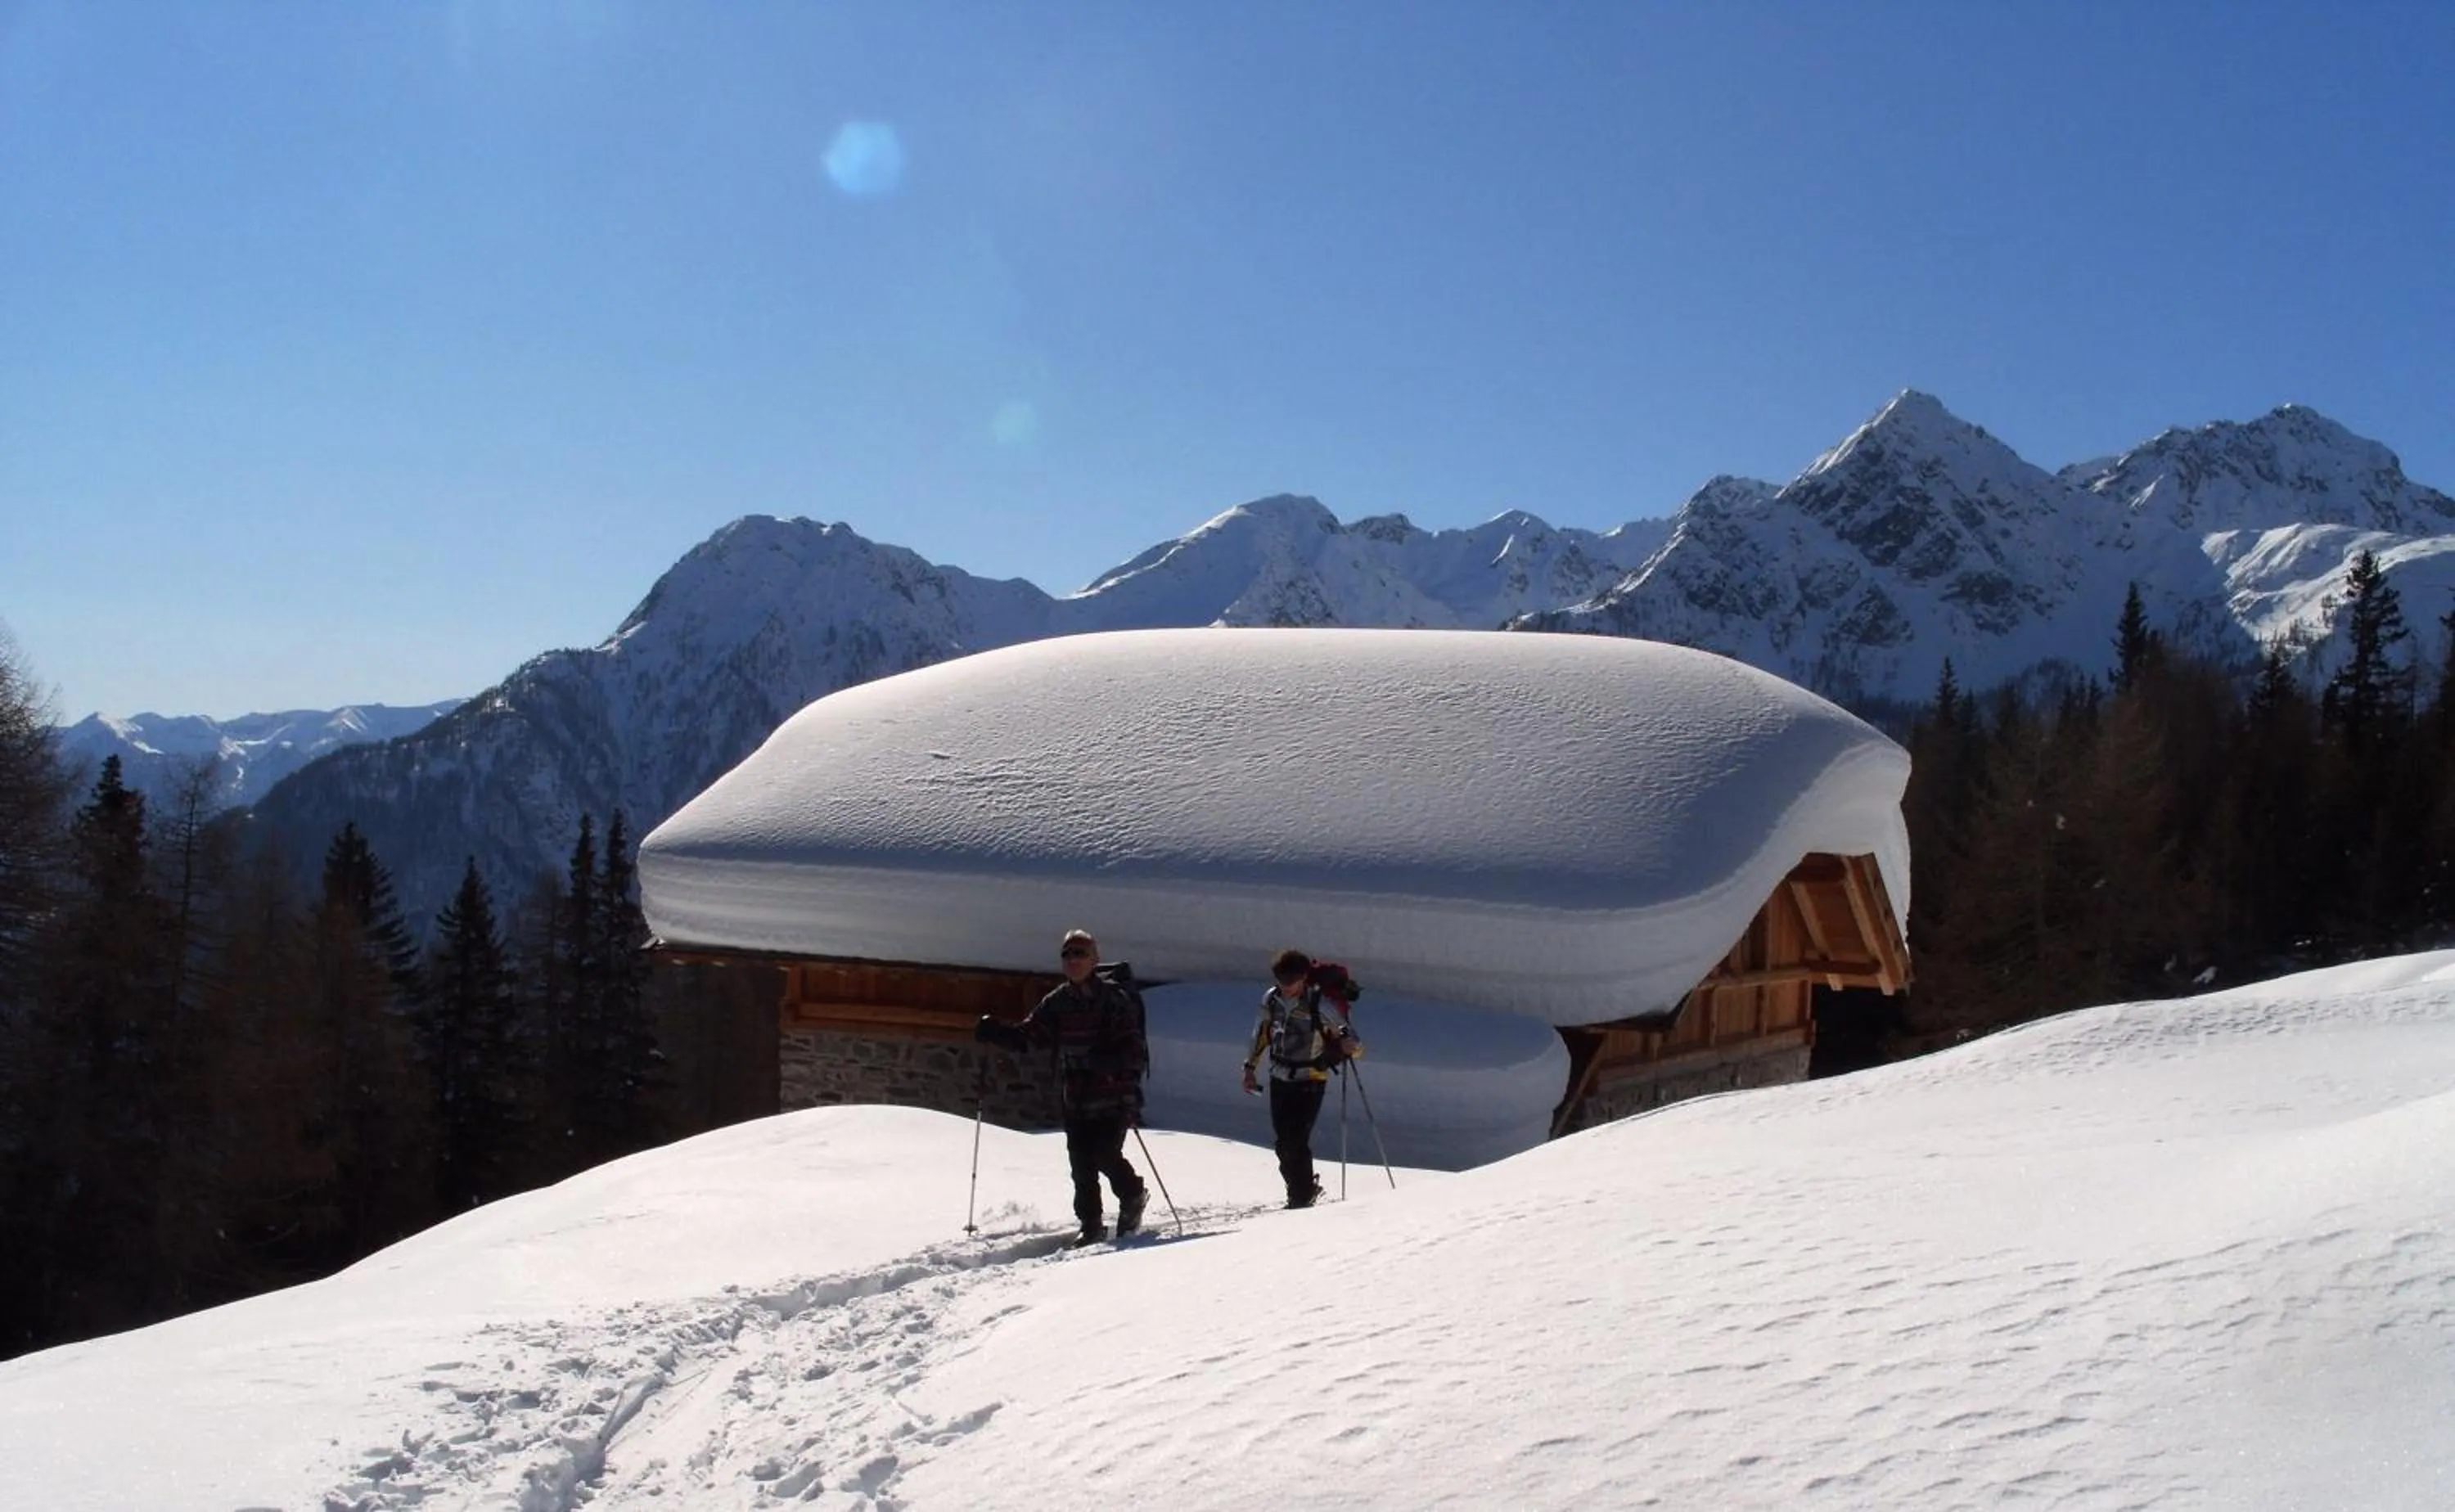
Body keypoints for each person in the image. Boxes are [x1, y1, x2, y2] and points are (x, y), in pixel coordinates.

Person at [975, 929, 1151, 1246]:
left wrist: (1103, 1064)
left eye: (1080, 953)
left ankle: (1133, 1194)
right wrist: (997, 1033)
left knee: (1105, 1154)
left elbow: (1133, 1052)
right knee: (1080, 1162)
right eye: (1067, 954)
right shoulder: (1057, 1002)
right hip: (1077, 1095)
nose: (1073, 959)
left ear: (1095, 959)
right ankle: (1091, 1224)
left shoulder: (1114, 999)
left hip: (1113, 1094)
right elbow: (1031, 1036)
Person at [1241, 948, 1363, 1208]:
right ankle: (1302, 1189)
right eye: (1281, 982)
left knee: (1295, 1139)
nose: (1286, 988)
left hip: (1311, 1078)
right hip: (1279, 1077)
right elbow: (1260, 1034)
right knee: (1283, 1143)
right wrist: (1250, 1067)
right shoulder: (1271, 1000)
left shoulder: (1320, 1004)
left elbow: (1353, 1039)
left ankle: (1300, 1196)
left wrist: (1349, 1046)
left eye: (1291, 983)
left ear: (1303, 978)